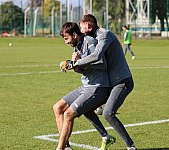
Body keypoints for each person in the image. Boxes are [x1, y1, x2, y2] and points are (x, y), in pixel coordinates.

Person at [71, 14, 137, 150]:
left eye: (82, 27)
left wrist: (76, 62)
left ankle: (130, 146)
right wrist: (78, 62)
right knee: (86, 108)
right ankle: (106, 137)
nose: (80, 31)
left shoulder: (104, 34)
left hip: (122, 81)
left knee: (108, 113)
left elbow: (97, 56)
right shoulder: (92, 39)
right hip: (110, 84)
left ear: (88, 26)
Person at [53, 22, 115, 150]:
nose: (65, 42)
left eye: (66, 38)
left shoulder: (90, 41)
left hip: (98, 86)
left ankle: (60, 148)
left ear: (74, 34)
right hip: (86, 86)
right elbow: (82, 69)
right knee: (58, 107)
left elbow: (101, 63)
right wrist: (73, 65)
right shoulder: (75, 45)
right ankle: (67, 147)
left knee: (69, 114)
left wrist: (79, 61)